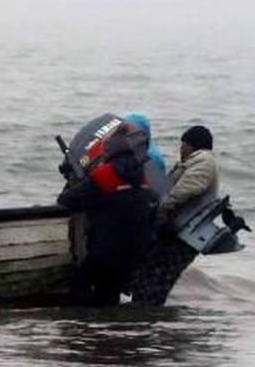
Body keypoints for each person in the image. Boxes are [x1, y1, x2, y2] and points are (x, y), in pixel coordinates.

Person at [56, 122, 157, 306]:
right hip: (135, 251)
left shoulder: (105, 173)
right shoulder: (141, 175)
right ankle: (108, 322)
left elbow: (66, 200)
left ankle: (82, 321)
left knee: (79, 284)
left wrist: (87, 196)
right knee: (109, 294)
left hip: (107, 248)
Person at [128, 125, 220, 305]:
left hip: (185, 235)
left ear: (190, 144)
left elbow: (185, 190)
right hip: (179, 232)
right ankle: (147, 311)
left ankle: (148, 313)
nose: (181, 149)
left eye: (183, 144)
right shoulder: (197, 161)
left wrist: (163, 208)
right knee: (154, 273)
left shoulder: (203, 161)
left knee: (160, 276)